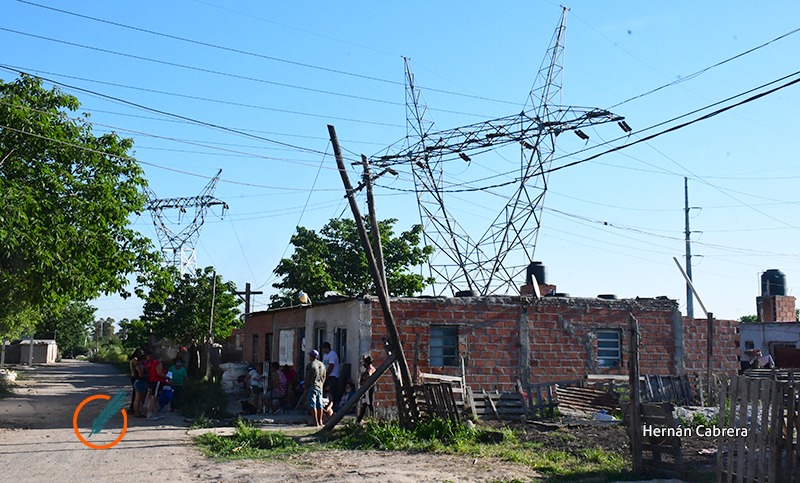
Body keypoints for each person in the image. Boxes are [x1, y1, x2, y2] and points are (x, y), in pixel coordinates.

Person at [302, 349, 326, 426]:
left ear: (312, 356)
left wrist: (305, 387)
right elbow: (324, 375)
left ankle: (315, 421)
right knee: (320, 404)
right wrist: (322, 383)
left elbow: (307, 377)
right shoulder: (322, 364)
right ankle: (321, 421)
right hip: (320, 386)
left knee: (313, 404)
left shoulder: (310, 365)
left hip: (312, 385)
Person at [145, 352, 168, 420]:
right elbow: (159, 373)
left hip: (153, 381)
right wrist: (167, 377)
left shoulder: (152, 363)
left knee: (156, 398)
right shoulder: (158, 363)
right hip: (157, 381)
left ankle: (156, 413)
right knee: (153, 398)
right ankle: (149, 414)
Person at [357, 355, 376, 423]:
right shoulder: (367, 369)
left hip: (369, 389)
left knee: (369, 403)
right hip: (365, 389)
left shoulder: (370, 369)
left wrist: (364, 376)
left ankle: (373, 419)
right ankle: (359, 420)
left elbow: (368, 375)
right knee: (364, 403)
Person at [132, 352, 148, 418]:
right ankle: (137, 412)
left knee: (138, 398)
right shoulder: (139, 366)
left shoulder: (140, 365)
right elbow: (141, 375)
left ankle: (137, 411)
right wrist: (149, 375)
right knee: (138, 399)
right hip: (140, 382)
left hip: (139, 382)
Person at [128, 348, 144, 413]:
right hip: (135, 377)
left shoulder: (134, 359)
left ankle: (133, 407)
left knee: (135, 393)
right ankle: (133, 407)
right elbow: (138, 365)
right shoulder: (135, 359)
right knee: (136, 394)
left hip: (134, 376)